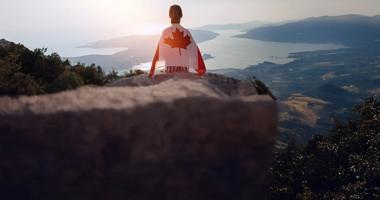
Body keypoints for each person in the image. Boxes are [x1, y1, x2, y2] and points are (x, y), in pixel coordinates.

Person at [149, 5, 206, 77]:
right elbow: (195, 52)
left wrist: (152, 69)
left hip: (170, 70)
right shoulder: (187, 32)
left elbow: (159, 52)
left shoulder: (166, 32)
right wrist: (201, 68)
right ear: (181, 16)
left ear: (170, 16)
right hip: (184, 70)